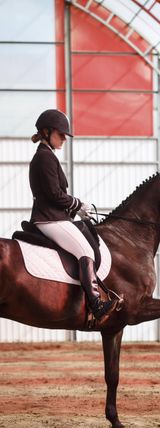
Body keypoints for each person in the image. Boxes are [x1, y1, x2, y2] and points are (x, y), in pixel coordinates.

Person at [29, 109, 117, 323]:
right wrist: (78, 204)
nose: (64, 139)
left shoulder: (47, 156)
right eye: (60, 135)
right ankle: (96, 306)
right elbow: (54, 194)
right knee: (85, 251)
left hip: (55, 215)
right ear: (47, 132)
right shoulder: (44, 157)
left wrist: (74, 208)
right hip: (49, 218)